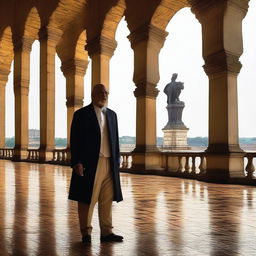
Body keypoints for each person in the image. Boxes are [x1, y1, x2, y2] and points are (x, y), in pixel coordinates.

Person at [68, 83, 123, 243]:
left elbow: (116, 141)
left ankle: (106, 232)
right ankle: (86, 232)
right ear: (93, 95)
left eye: (106, 92)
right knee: (88, 198)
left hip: (109, 163)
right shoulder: (81, 114)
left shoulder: (112, 115)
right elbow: (75, 140)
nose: (104, 95)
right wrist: (76, 161)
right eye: (100, 92)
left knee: (107, 199)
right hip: (90, 163)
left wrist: (117, 161)